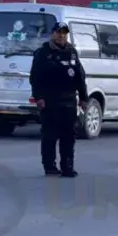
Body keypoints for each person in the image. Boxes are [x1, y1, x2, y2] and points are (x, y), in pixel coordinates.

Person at [30, 21, 88, 177]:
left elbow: (80, 77)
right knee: (49, 136)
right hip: (50, 101)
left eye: (64, 33)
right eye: (58, 32)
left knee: (69, 136)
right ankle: (50, 166)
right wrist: (38, 97)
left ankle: (67, 167)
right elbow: (35, 77)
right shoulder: (43, 52)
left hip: (68, 101)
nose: (62, 35)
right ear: (52, 34)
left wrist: (83, 98)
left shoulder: (71, 52)